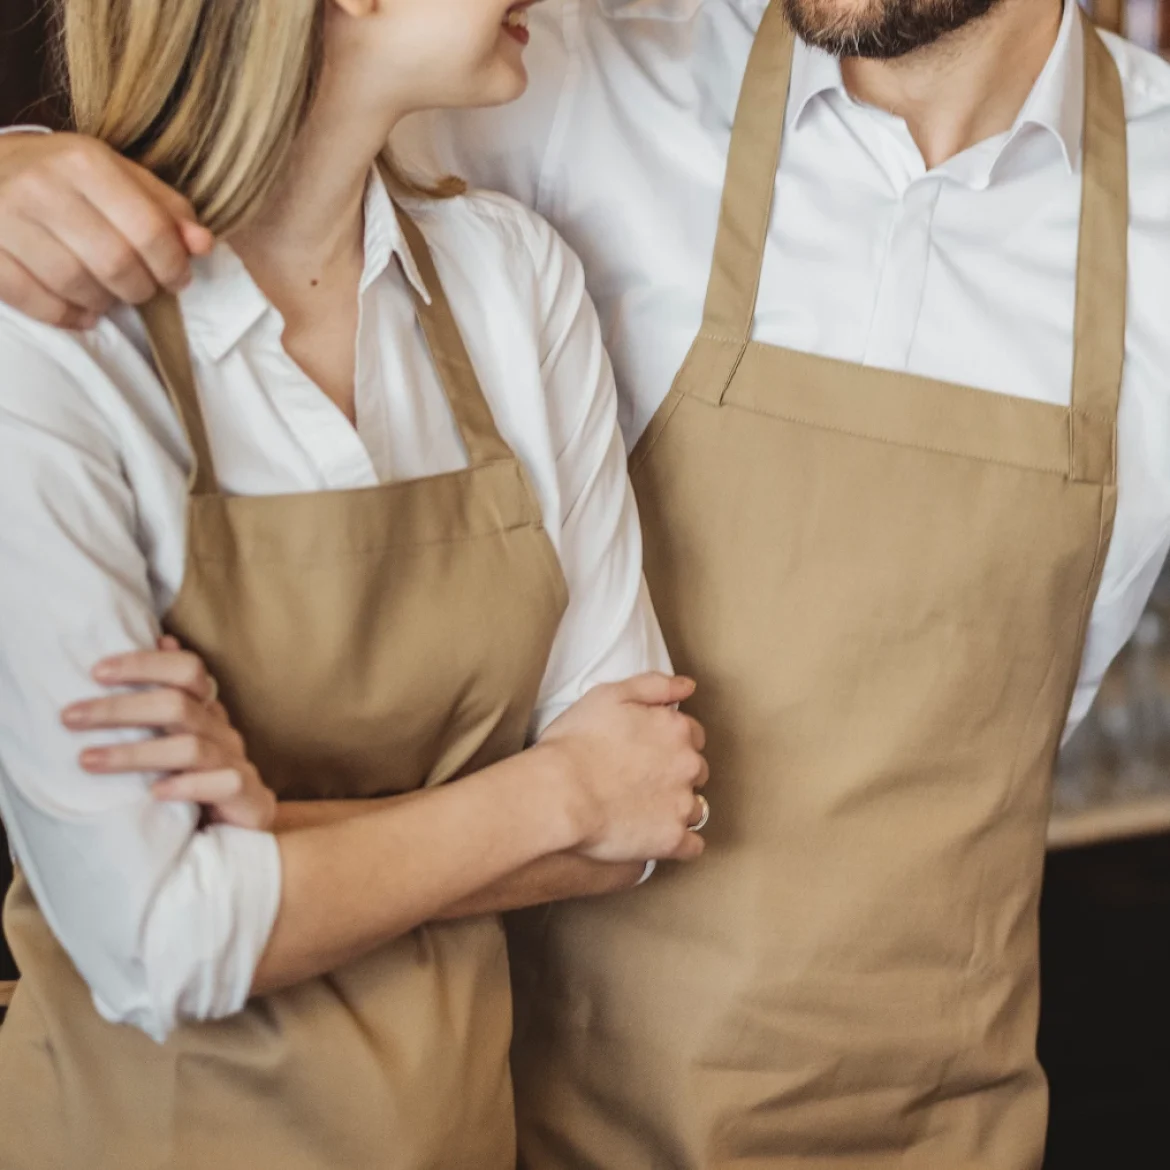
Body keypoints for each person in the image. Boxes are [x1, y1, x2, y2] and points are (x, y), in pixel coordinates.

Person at [2, 0, 1169, 1166]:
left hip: (934, 1128)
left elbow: (637, 795)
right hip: (535, 1122)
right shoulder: (573, 72)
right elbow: (259, 90)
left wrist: (261, 860)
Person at [0, 2, 713, 1169]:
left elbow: (640, 807)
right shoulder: (47, 338)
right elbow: (155, 940)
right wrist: (552, 796)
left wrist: (266, 847)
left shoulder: (513, 280)